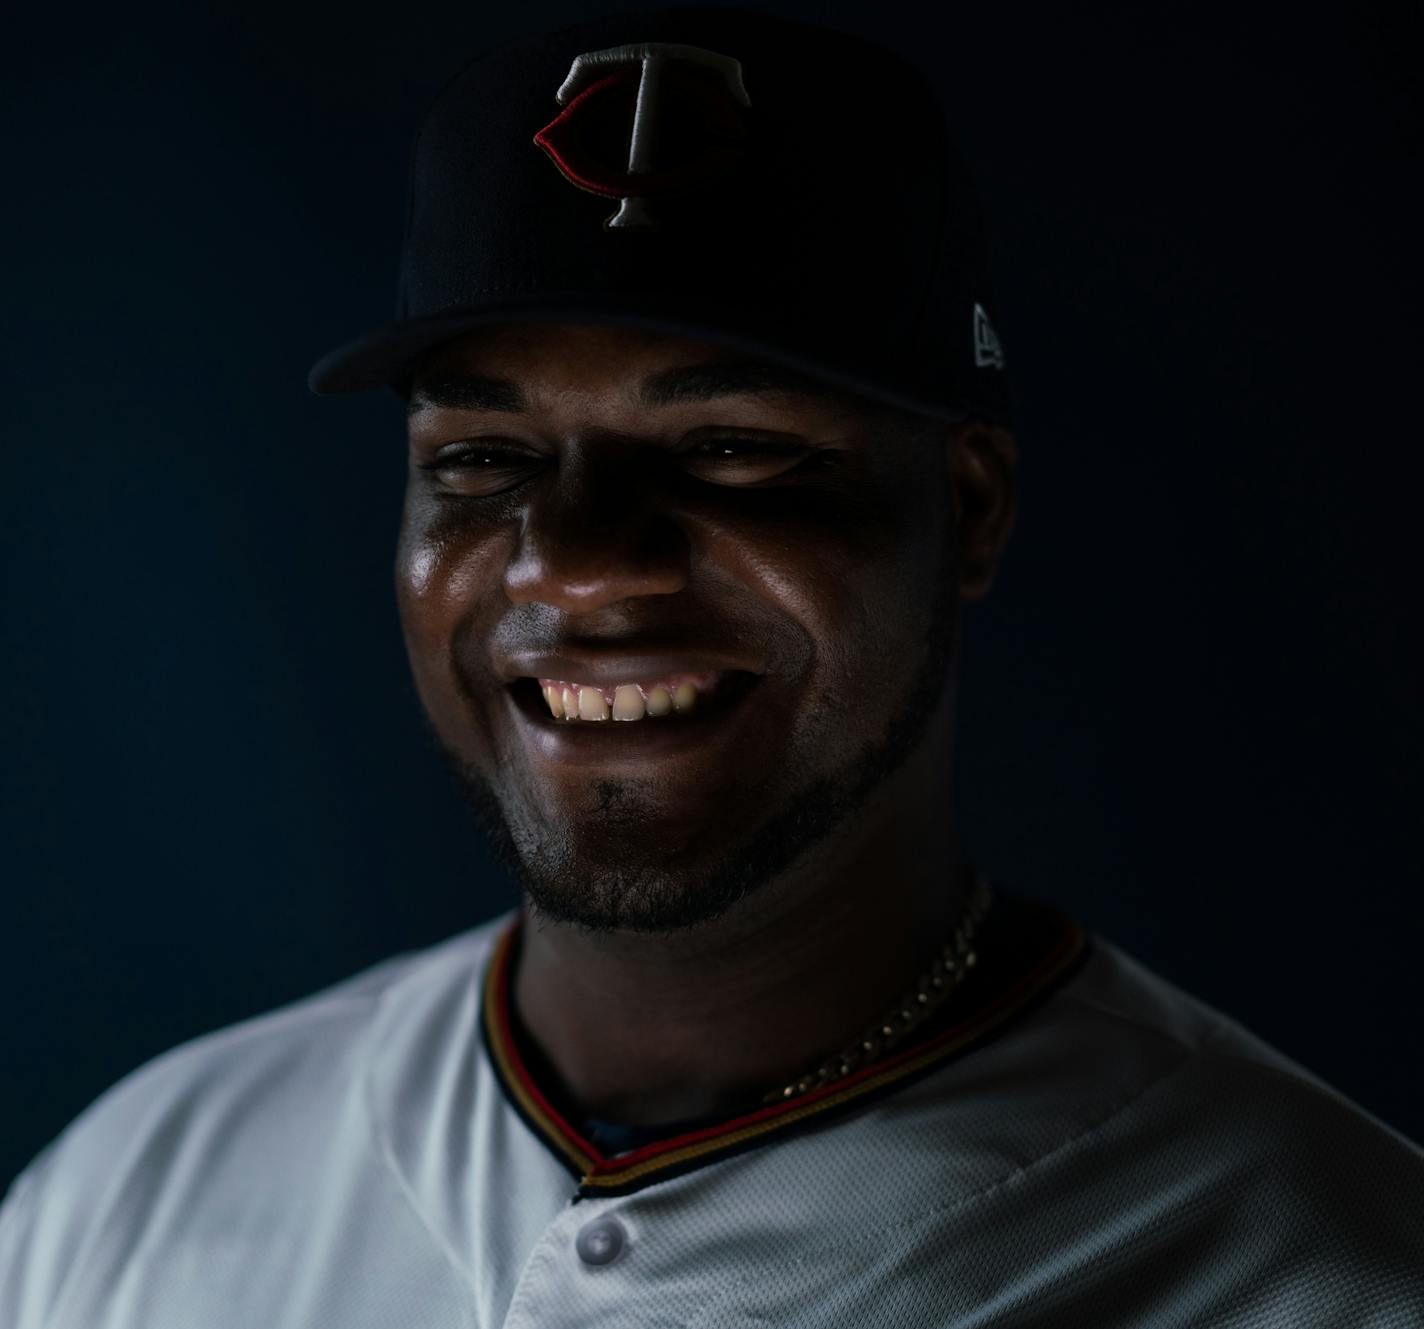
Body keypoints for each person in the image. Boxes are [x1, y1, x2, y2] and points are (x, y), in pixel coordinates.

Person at [3, 6, 1421, 1327]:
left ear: (972, 508)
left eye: (734, 446)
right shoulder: (127, 1198)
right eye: (483, 458)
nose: (580, 560)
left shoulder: (1328, 1266)